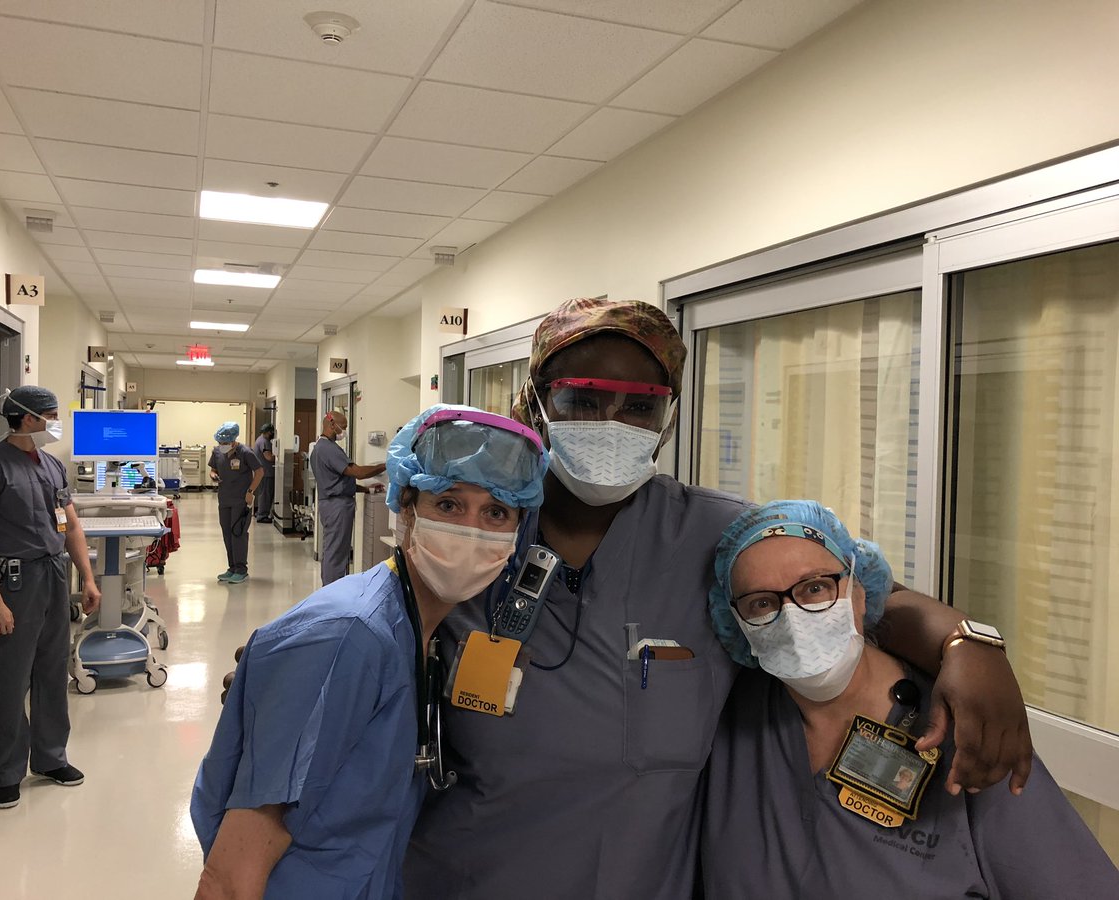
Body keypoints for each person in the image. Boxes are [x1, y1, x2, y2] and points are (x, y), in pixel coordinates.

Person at [402, 298, 1034, 899]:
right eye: (582, 398)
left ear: (668, 418)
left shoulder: (712, 536)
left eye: (640, 408)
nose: (611, 424)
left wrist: (970, 644)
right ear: (536, 401)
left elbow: (866, 596)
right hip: (466, 876)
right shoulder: (483, 521)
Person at [191, 405, 548, 899]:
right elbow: (229, 880)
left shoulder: (422, 633)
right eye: (448, 504)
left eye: (496, 513)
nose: (471, 530)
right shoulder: (348, 636)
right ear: (406, 505)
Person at [703, 500, 1119, 898]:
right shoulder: (730, 720)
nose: (793, 619)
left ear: (859, 592)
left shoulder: (962, 731)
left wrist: (972, 643)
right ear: (736, 621)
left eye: (815, 587)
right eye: (762, 603)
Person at [0, 385, 102, 809]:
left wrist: (88, 579)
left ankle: (50, 757)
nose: (55, 423)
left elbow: (70, 526)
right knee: (10, 678)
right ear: (26, 418)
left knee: (53, 670)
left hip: (54, 575)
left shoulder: (53, 467)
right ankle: (7, 772)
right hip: (13, 582)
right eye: (51, 415)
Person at [310, 409, 386, 584]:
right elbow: (356, 472)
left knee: (336, 550)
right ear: (331, 424)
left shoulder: (319, 448)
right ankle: (332, 591)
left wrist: (367, 490)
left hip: (332, 503)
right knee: (336, 552)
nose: (343, 432)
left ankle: (335, 588)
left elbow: (341, 481)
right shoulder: (328, 449)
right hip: (337, 506)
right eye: (342, 427)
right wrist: (384, 466)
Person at [208, 421, 262, 585]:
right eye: (220, 442)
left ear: (233, 440)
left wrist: (250, 492)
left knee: (237, 532)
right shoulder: (217, 452)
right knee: (226, 533)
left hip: (240, 499)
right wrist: (213, 475)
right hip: (224, 498)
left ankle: (241, 569)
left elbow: (259, 472)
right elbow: (213, 469)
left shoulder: (245, 452)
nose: (222, 445)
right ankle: (231, 567)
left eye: (225, 443)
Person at [252, 423, 275, 524]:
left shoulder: (259, 440)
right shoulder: (264, 442)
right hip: (266, 473)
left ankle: (261, 512)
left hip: (263, 472)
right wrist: (278, 456)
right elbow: (269, 457)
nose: (272, 434)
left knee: (263, 493)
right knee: (265, 494)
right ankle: (262, 515)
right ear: (267, 432)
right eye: (271, 432)